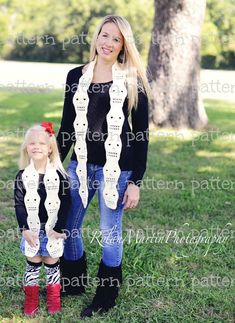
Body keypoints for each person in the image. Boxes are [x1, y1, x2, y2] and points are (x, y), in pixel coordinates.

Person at [57, 15, 152, 318]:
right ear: (96, 36)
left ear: (123, 45)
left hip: (118, 170)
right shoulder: (76, 76)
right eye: (104, 35)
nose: (108, 42)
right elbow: (66, 128)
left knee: (109, 232)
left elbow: (141, 136)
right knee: (69, 226)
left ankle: (105, 296)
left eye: (116, 38)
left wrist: (136, 181)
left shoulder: (132, 80)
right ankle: (73, 282)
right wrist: (55, 167)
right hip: (80, 166)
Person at [14, 122, 70, 316]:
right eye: (31, 143)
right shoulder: (22, 176)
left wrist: (60, 228)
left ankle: (53, 299)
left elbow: (66, 204)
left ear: (50, 149)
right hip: (32, 230)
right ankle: (31, 299)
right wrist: (24, 229)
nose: (36, 146)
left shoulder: (60, 177)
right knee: (33, 265)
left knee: (52, 265)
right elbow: (19, 205)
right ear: (26, 149)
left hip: (53, 229)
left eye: (41, 143)